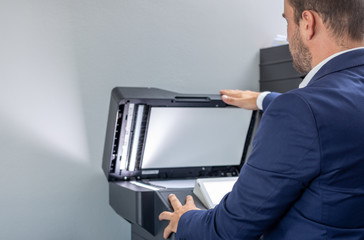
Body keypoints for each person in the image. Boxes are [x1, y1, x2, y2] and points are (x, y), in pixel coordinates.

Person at [159, 0, 364, 239]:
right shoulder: (317, 109)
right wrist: (263, 99)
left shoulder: (300, 111)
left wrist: (185, 219)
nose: (288, 34)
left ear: (308, 23)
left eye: (287, 21)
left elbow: (228, 231)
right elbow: (339, 115)